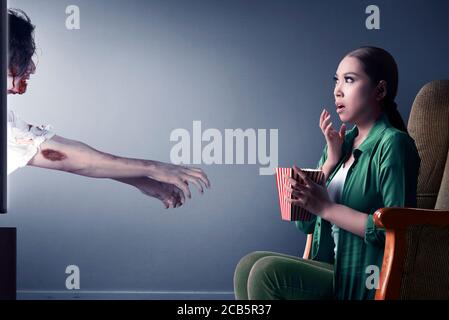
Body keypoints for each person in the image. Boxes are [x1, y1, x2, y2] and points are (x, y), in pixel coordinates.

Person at [234, 46, 421, 300]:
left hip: (363, 278)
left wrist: (327, 208)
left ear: (380, 90)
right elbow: (305, 224)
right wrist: (328, 165)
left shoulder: (393, 144)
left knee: (266, 273)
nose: (337, 90)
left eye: (349, 80)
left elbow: (394, 230)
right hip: (329, 267)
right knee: (248, 265)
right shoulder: (338, 145)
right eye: (337, 80)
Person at [7, 8, 210, 209]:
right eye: (22, 57)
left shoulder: (6, 119)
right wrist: (153, 168)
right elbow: (68, 158)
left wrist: (144, 181)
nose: (32, 67)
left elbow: (57, 148)